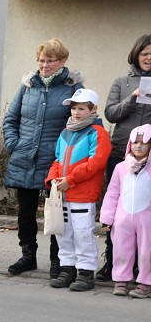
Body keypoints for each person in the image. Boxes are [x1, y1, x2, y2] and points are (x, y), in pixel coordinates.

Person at [2, 38, 84, 277]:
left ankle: (58, 260)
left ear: (62, 61)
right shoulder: (28, 86)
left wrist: (66, 155)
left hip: (55, 162)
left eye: (50, 61)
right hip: (25, 158)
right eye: (41, 60)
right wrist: (14, 145)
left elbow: (79, 123)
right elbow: (10, 120)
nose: (44, 65)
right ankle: (28, 256)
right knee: (25, 212)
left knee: (56, 211)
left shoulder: (72, 88)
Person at [44, 88, 110, 291]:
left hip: (82, 195)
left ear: (93, 109)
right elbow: (57, 159)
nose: (76, 112)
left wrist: (70, 179)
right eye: (73, 108)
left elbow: (95, 163)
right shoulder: (66, 132)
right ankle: (67, 269)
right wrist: (53, 179)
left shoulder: (98, 133)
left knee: (83, 234)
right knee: (64, 234)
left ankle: (86, 273)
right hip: (63, 192)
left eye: (81, 108)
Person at [100, 34, 151, 282]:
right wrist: (131, 100)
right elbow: (110, 113)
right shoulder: (122, 81)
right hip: (122, 152)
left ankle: (144, 271)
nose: (149, 58)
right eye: (145, 54)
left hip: (149, 159)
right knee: (119, 213)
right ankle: (113, 265)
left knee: (145, 216)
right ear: (136, 55)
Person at [100, 124, 151, 298]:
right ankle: (121, 280)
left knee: (147, 251)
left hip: (147, 219)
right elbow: (112, 193)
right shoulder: (121, 167)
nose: (138, 146)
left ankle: (145, 282)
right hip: (123, 218)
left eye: (143, 143)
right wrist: (107, 217)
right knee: (121, 248)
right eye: (135, 142)